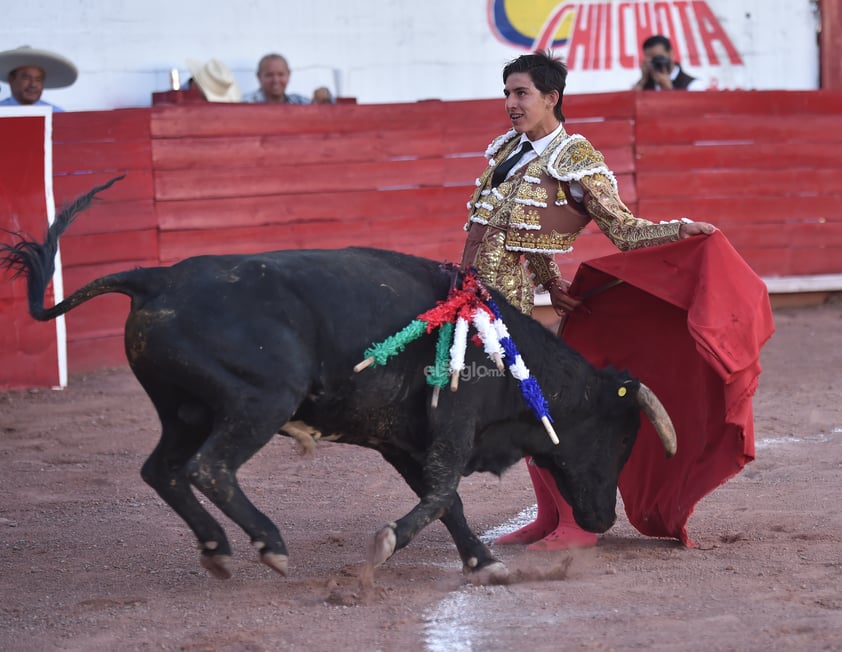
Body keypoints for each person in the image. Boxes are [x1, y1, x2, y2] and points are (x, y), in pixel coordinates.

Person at [461, 50, 716, 551]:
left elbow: (623, 229)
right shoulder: (509, 151)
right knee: (518, 409)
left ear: (551, 97)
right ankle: (548, 516)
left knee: (532, 409)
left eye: (521, 93)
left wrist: (680, 228)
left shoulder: (576, 158)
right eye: (507, 93)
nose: (511, 103)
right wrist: (551, 278)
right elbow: (516, 232)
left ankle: (578, 521)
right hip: (480, 297)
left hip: (509, 307)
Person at [0, 45, 78, 111]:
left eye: (38, 80)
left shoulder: (56, 114)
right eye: (26, 78)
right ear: (11, 79)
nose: (33, 84)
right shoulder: (2, 110)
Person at [632, 34, 703, 91]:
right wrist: (643, 80)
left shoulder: (692, 84)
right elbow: (631, 103)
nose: (654, 62)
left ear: (671, 54)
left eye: (658, 57)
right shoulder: (645, 84)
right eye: (650, 59)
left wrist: (668, 89)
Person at [244, 53, 309, 104]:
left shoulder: (300, 102)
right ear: (259, 76)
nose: (275, 80)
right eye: (269, 75)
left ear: (289, 75)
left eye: (281, 75)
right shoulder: (243, 103)